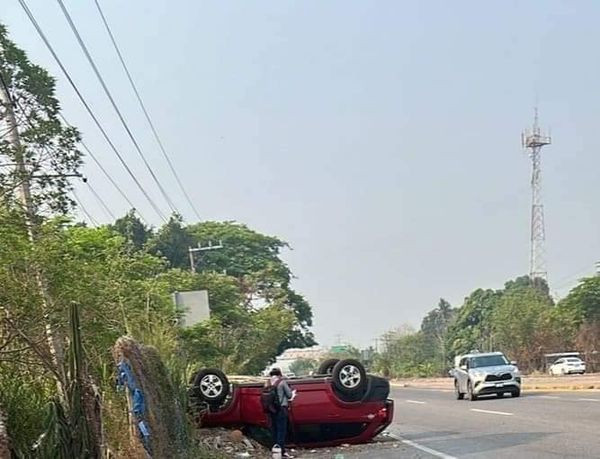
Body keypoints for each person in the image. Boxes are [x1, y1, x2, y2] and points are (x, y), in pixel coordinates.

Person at [268, 368, 293, 458]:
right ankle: (281, 452)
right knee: (281, 431)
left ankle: (275, 451)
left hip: (271, 409)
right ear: (279, 374)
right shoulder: (282, 382)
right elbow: (289, 395)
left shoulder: (267, 383)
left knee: (274, 430)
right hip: (281, 408)